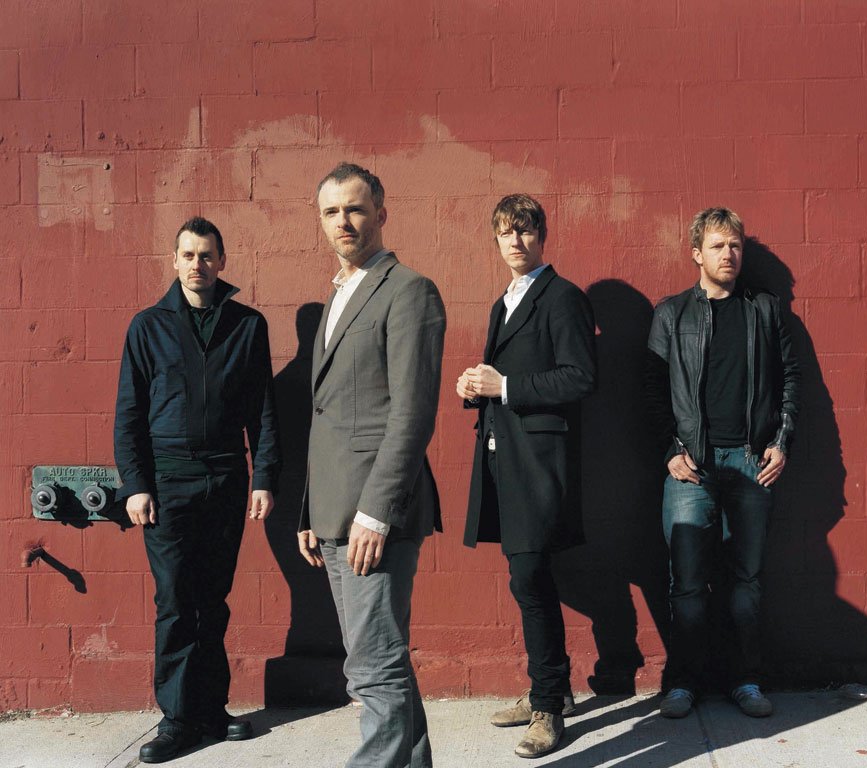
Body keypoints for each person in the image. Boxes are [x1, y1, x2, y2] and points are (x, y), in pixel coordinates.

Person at [113, 216, 280, 763]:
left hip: (227, 479)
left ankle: (210, 710)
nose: (197, 265)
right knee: (176, 600)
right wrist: (136, 485)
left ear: (221, 262)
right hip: (168, 484)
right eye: (188, 255)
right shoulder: (148, 326)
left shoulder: (247, 325)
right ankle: (177, 720)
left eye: (206, 255)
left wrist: (264, 477)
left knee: (212, 600)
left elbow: (263, 409)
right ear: (175, 260)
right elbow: (129, 413)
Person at [297, 163, 445, 768]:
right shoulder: (338, 294)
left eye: (355, 209)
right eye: (332, 212)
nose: (344, 222)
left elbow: (411, 413)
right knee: (382, 661)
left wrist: (375, 513)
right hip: (334, 509)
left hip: (373, 514)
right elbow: (329, 415)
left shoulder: (409, 290)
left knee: (373, 670)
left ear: (381, 214)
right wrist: (311, 510)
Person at [644, 207, 800, 719]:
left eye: (735, 245)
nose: (728, 254)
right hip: (693, 466)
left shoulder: (766, 309)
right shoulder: (671, 314)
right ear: (697, 254)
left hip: (752, 463)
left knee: (745, 583)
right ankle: (682, 683)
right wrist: (670, 451)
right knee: (687, 584)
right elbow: (651, 391)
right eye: (717, 246)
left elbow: (791, 378)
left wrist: (782, 440)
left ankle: (745, 680)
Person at [457, 194, 597, 758]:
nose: (515, 241)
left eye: (525, 231)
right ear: (495, 240)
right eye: (505, 233)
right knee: (527, 577)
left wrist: (505, 387)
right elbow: (504, 375)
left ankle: (548, 706)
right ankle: (553, 689)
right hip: (503, 456)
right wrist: (477, 389)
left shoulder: (562, 297)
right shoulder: (504, 301)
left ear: (542, 235)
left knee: (530, 576)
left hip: (539, 462)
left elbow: (580, 377)